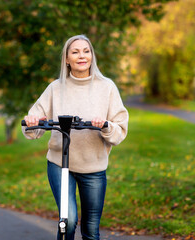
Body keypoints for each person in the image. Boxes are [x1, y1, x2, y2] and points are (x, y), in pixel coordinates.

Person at [22, 35, 129, 240]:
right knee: (68, 221)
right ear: (66, 59)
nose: (82, 56)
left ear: (92, 56)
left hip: (94, 167)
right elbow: (33, 127)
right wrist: (33, 122)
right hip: (60, 165)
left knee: (90, 229)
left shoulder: (107, 87)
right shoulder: (55, 88)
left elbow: (120, 130)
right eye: (75, 52)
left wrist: (105, 126)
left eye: (86, 51)